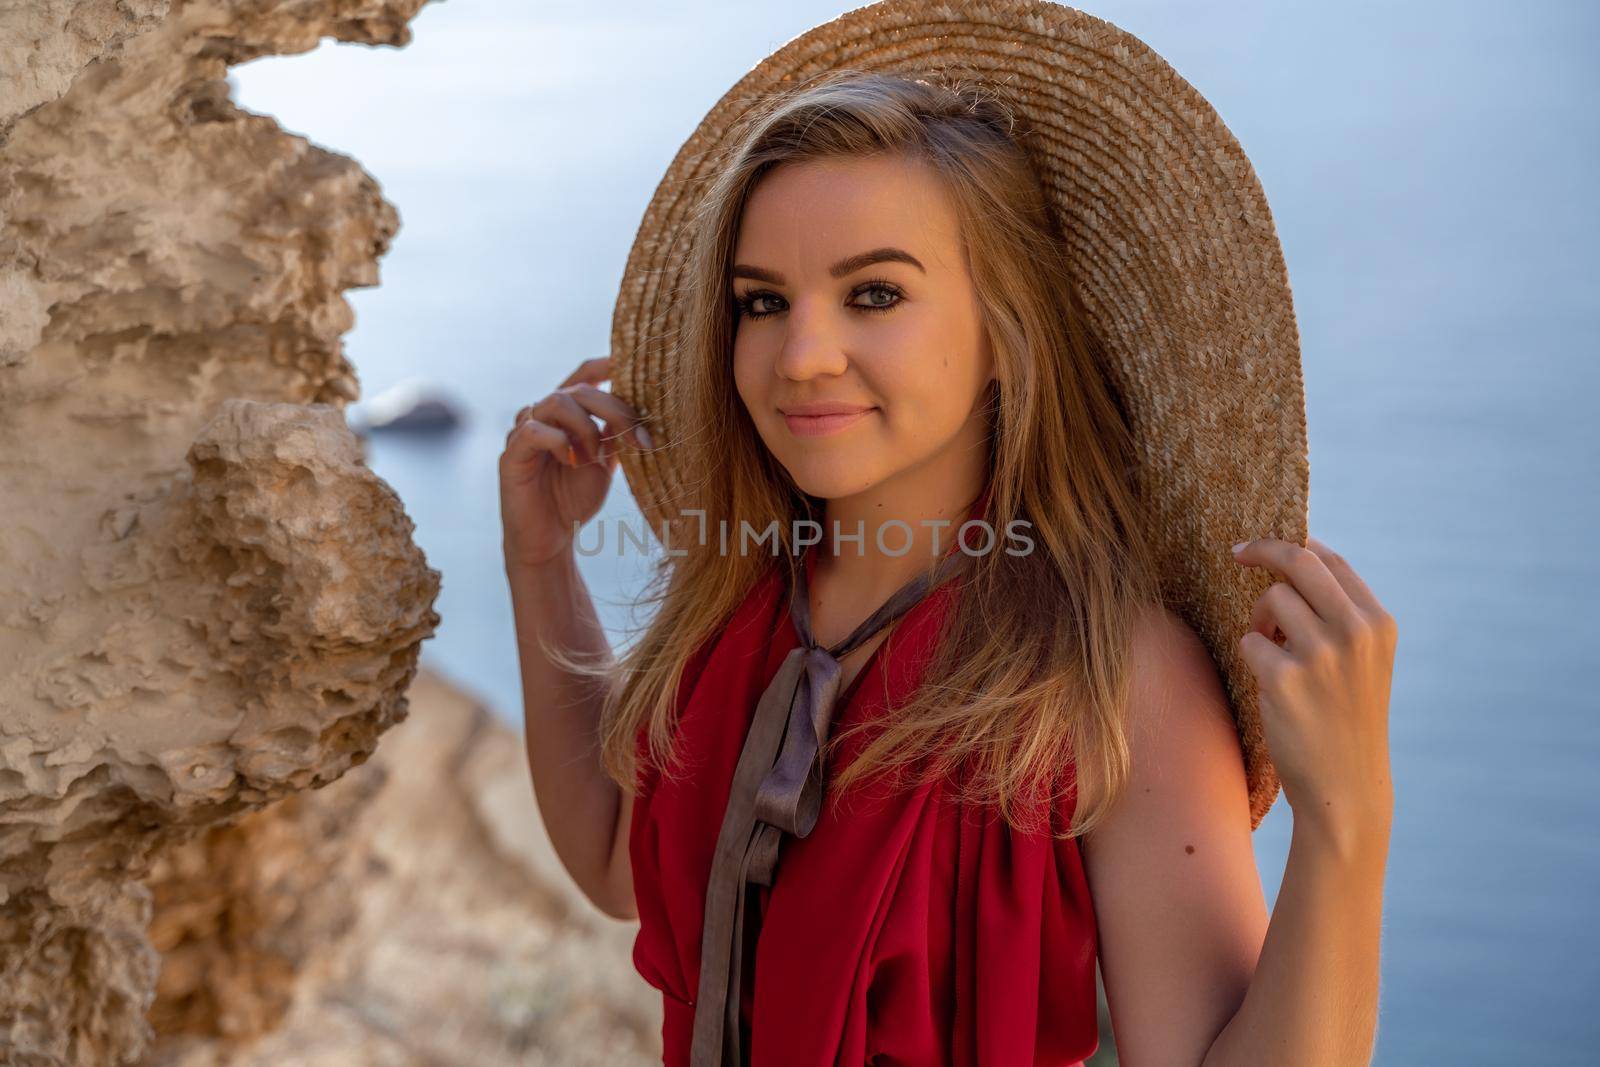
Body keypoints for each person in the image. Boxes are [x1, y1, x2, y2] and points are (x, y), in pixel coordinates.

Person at [500, 5, 1397, 1065]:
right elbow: (614, 860)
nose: (801, 355)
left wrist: (1348, 816)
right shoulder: (743, 605)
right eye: (761, 301)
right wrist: (543, 559)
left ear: (1005, 334)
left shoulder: (1115, 676)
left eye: (873, 293)